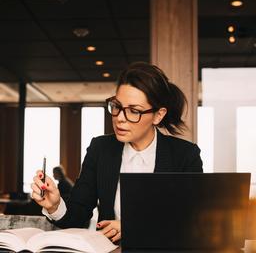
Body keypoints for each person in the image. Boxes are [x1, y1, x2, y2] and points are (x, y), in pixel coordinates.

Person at [31, 62, 203, 243]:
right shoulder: (100, 149)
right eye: (117, 106)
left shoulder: (184, 155)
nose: (120, 118)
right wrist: (55, 206)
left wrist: (132, 226)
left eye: (133, 111)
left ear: (158, 115)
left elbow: (191, 221)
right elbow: (78, 214)